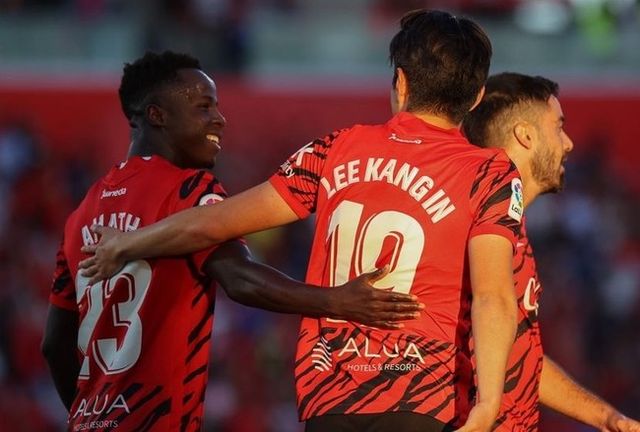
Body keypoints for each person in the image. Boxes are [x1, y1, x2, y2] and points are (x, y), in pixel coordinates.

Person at [79, 10, 521, 432]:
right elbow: (494, 297)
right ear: (476, 96)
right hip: (425, 396)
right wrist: (488, 405)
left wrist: (127, 244)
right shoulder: (490, 172)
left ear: (401, 83)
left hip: (332, 394)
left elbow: (213, 223)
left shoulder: (335, 149)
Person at [40, 51, 424, 432]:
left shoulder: (80, 215)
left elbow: (54, 345)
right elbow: (240, 280)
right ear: (157, 116)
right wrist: (337, 301)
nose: (220, 119)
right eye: (203, 107)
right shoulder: (189, 189)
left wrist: (93, 415)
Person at [462, 72, 640, 432]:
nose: (569, 143)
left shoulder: (512, 228)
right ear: (525, 136)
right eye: (559, 127)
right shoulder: (469, 225)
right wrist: (486, 410)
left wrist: (606, 417)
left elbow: (521, 359)